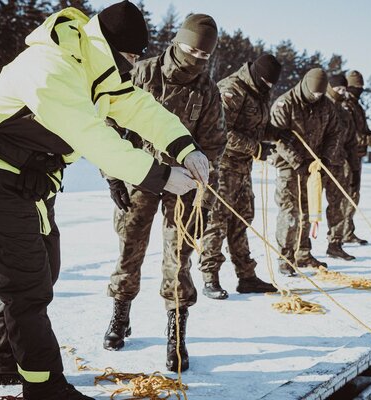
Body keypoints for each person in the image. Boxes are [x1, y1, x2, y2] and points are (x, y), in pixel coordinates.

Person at [0, 3, 209, 399]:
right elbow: (93, 138)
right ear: (108, 44)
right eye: (129, 56)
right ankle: (45, 388)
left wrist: (185, 146)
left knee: (43, 270)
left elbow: (137, 106)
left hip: (31, 178)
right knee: (26, 285)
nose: (132, 64)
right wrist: (160, 177)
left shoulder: (96, 68)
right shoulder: (50, 66)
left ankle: (1, 359)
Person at [103, 13, 226, 373]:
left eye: (204, 57)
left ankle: (176, 331)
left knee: (179, 256)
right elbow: (110, 126)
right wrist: (113, 175)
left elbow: (215, 143)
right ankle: (120, 316)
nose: (196, 60)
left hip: (184, 185)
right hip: (138, 175)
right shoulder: (140, 73)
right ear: (176, 41)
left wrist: (198, 172)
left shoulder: (208, 90)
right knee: (129, 248)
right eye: (191, 51)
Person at [198, 54, 282, 300]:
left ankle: (246, 277)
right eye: (266, 81)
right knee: (217, 221)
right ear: (257, 74)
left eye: (271, 84)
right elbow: (221, 131)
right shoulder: (231, 88)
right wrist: (256, 148)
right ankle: (210, 277)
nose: (268, 87)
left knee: (242, 219)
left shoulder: (258, 90)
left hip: (243, 169)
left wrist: (275, 133)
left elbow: (253, 126)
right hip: (221, 167)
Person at [270, 68, 343, 276]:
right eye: (314, 94)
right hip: (288, 165)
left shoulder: (326, 106)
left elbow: (334, 132)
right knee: (290, 211)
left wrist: (327, 158)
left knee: (308, 210)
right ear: (305, 87)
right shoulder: (285, 103)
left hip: (313, 166)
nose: (317, 98)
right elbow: (278, 139)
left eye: (321, 94)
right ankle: (286, 257)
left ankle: (303, 253)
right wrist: (297, 162)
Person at [341, 70, 371, 245]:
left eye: (361, 88)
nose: (359, 90)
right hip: (346, 156)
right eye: (356, 87)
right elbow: (348, 134)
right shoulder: (346, 105)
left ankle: (348, 230)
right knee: (347, 193)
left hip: (357, 155)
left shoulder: (357, 106)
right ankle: (342, 232)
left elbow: (362, 129)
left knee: (353, 194)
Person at [322, 74, 360, 261]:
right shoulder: (319, 107)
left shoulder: (345, 113)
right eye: (338, 89)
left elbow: (352, 142)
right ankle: (301, 248)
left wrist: (354, 166)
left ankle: (335, 243)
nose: (342, 92)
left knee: (337, 206)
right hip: (318, 165)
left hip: (338, 165)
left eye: (344, 90)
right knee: (306, 207)